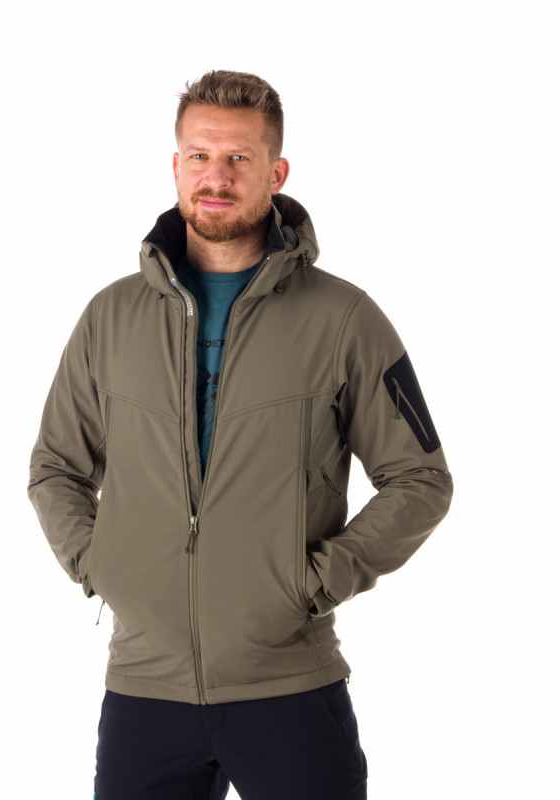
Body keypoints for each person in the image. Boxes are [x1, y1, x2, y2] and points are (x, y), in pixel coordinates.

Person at [27, 69, 454, 800]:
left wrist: (312, 583)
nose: (216, 177)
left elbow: (420, 480)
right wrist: (104, 565)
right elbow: (56, 468)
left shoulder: (343, 319)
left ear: (275, 174)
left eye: (238, 158)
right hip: (145, 693)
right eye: (200, 156)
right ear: (176, 166)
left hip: (289, 688)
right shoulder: (111, 318)